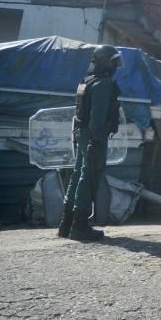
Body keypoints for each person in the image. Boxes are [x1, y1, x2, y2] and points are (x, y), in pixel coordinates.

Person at [59, 44, 123, 241]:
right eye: (113, 61)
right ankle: (79, 227)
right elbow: (97, 121)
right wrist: (101, 135)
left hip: (81, 133)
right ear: (105, 61)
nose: (115, 65)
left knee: (78, 174)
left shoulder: (86, 81)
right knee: (88, 176)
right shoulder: (103, 83)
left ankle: (66, 224)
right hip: (93, 137)